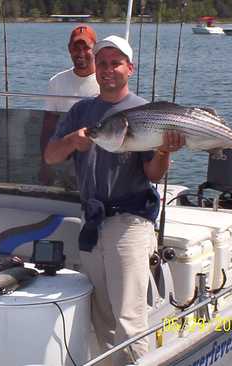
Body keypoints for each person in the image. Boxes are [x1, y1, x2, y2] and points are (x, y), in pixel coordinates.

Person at [44, 35, 185, 365]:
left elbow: (152, 173)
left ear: (129, 68)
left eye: (115, 63)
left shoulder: (146, 112)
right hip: (92, 223)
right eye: (102, 63)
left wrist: (165, 149)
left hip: (130, 223)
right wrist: (70, 141)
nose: (108, 70)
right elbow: (50, 156)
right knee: (100, 318)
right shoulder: (81, 111)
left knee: (129, 319)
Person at [39, 24, 99, 185]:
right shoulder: (56, 82)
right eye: (75, 47)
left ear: (95, 49)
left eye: (86, 47)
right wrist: (45, 164)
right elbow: (48, 127)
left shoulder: (106, 81)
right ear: (69, 49)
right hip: (64, 158)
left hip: (96, 162)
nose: (80, 53)